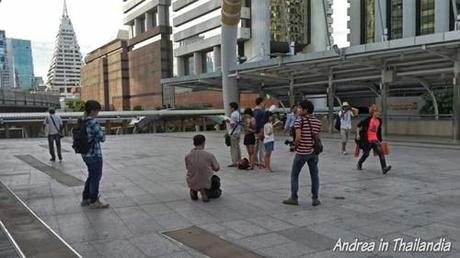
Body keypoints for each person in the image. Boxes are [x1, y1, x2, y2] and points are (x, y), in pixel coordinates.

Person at [283, 99, 322, 207]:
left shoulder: (299, 121)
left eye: (300, 108)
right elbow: (317, 138)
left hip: (302, 153)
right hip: (314, 152)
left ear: (306, 110)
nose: (298, 109)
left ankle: (294, 197)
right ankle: (315, 199)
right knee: (314, 175)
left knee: (294, 175)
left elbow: (298, 138)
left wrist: (294, 146)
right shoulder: (317, 122)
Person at [80, 100, 109, 209]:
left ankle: (85, 198)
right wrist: (102, 132)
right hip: (94, 153)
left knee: (91, 175)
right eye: (97, 111)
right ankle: (93, 201)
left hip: (85, 154)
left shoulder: (82, 121)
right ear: (92, 111)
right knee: (96, 177)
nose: (98, 113)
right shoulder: (92, 122)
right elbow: (102, 138)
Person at [356, 104, 392, 174]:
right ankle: (359, 163)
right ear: (372, 112)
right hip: (368, 140)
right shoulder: (368, 120)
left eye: (379, 112)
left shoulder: (379, 121)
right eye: (377, 112)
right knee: (366, 154)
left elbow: (378, 131)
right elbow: (358, 126)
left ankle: (384, 168)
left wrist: (380, 140)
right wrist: (358, 135)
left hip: (375, 140)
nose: (379, 113)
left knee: (381, 153)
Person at [185, 135, 221, 202]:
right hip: (206, 181)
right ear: (203, 143)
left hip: (192, 180)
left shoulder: (187, 156)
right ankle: (205, 191)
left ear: (194, 143)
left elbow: (187, 168)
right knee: (217, 184)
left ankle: (194, 189)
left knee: (195, 174)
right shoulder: (209, 155)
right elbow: (216, 168)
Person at [227, 102, 242, 167]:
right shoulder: (238, 113)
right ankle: (239, 160)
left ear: (232, 108)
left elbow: (232, 125)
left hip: (233, 133)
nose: (229, 109)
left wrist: (228, 121)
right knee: (237, 147)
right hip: (238, 132)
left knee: (233, 148)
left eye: (230, 107)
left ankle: (235, 162)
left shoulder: (233, 114)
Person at [253, 97, 265, 168]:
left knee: (255, 148)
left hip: (254, 131)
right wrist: (262, 131)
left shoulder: (253, 111)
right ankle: (262, 162)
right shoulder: (262, 112)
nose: (264, 104)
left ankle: (255, 161)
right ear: (261, 102)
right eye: (263, 103)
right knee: (261, 147)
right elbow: (262, 123)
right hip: (260, 131)